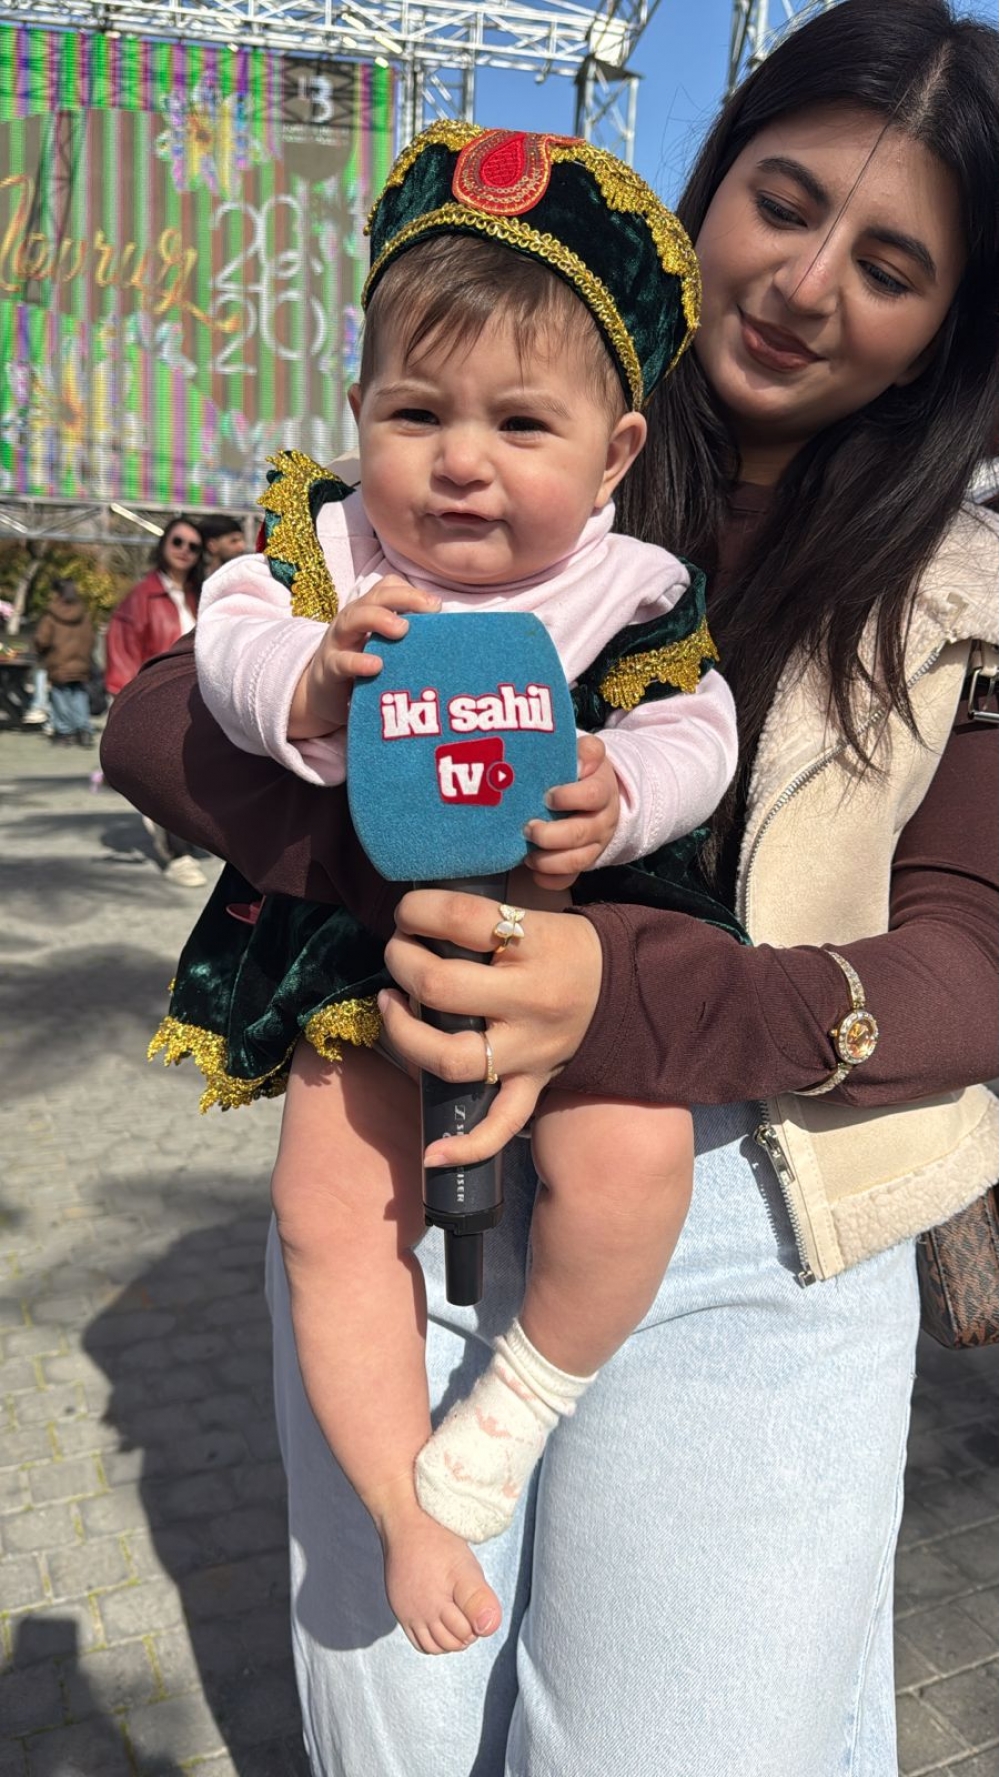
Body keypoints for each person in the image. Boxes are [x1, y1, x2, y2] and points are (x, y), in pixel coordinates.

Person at [100, 1, 998, 1770]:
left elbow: (973, 957)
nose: (809, 282)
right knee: (400, 1726)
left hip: (757, 1212)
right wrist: (424, 878)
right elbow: (161, 723)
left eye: (890, 265)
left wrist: (622, 991)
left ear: (942, 336)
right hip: (407, 1133)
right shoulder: (499, 441)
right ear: (708, 187)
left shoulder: (962, 584)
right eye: (783, 202)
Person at [147, 132, 740, 1651]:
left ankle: (525, 1393)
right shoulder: (322, 549)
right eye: (416, 412)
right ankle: (400, 1506)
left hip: (564, 941)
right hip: (360, 945)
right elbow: (223, 643)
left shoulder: (628, 587)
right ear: (359, 412)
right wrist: (306, 678)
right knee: (327, 1211)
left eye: (521, 423)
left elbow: (701, 728)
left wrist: (625, 792)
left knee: (633, 1160)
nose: (460, 459)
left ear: (614, 452)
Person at [105, 517, 209, 888]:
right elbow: (121, 648)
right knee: (163, 775)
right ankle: (176, 854)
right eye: (177, 541)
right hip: (155, 697)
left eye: (193, 545)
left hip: (200, 698)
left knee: (194, 775)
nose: (184, 550)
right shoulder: (141, 597)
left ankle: (183, 841)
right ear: (163, 544)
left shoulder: (202, 595)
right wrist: (125, 699)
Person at [33, 579, 95, 747]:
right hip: (80, 663)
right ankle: (83, 731)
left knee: (60, 696)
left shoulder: (51, 616)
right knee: (79, 695)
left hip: (58, 662)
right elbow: (91, 638)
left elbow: (42, 640)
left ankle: (65, 732)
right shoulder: (83, 614)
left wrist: (41, 651)